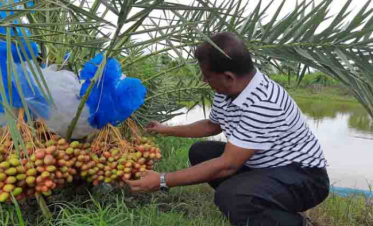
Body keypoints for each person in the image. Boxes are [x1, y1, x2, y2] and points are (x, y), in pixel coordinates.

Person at [124, 32, 330, 226]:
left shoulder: (264, 102)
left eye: (207, 76)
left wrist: (161, 180)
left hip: (304, 177)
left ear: (229, 76)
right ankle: (254, 202)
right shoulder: (227, 90)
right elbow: (211, 126)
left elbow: (227, 166)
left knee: (231, 196)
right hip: (264, 166)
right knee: (200, 152)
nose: (204, 81)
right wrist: (164, 129)